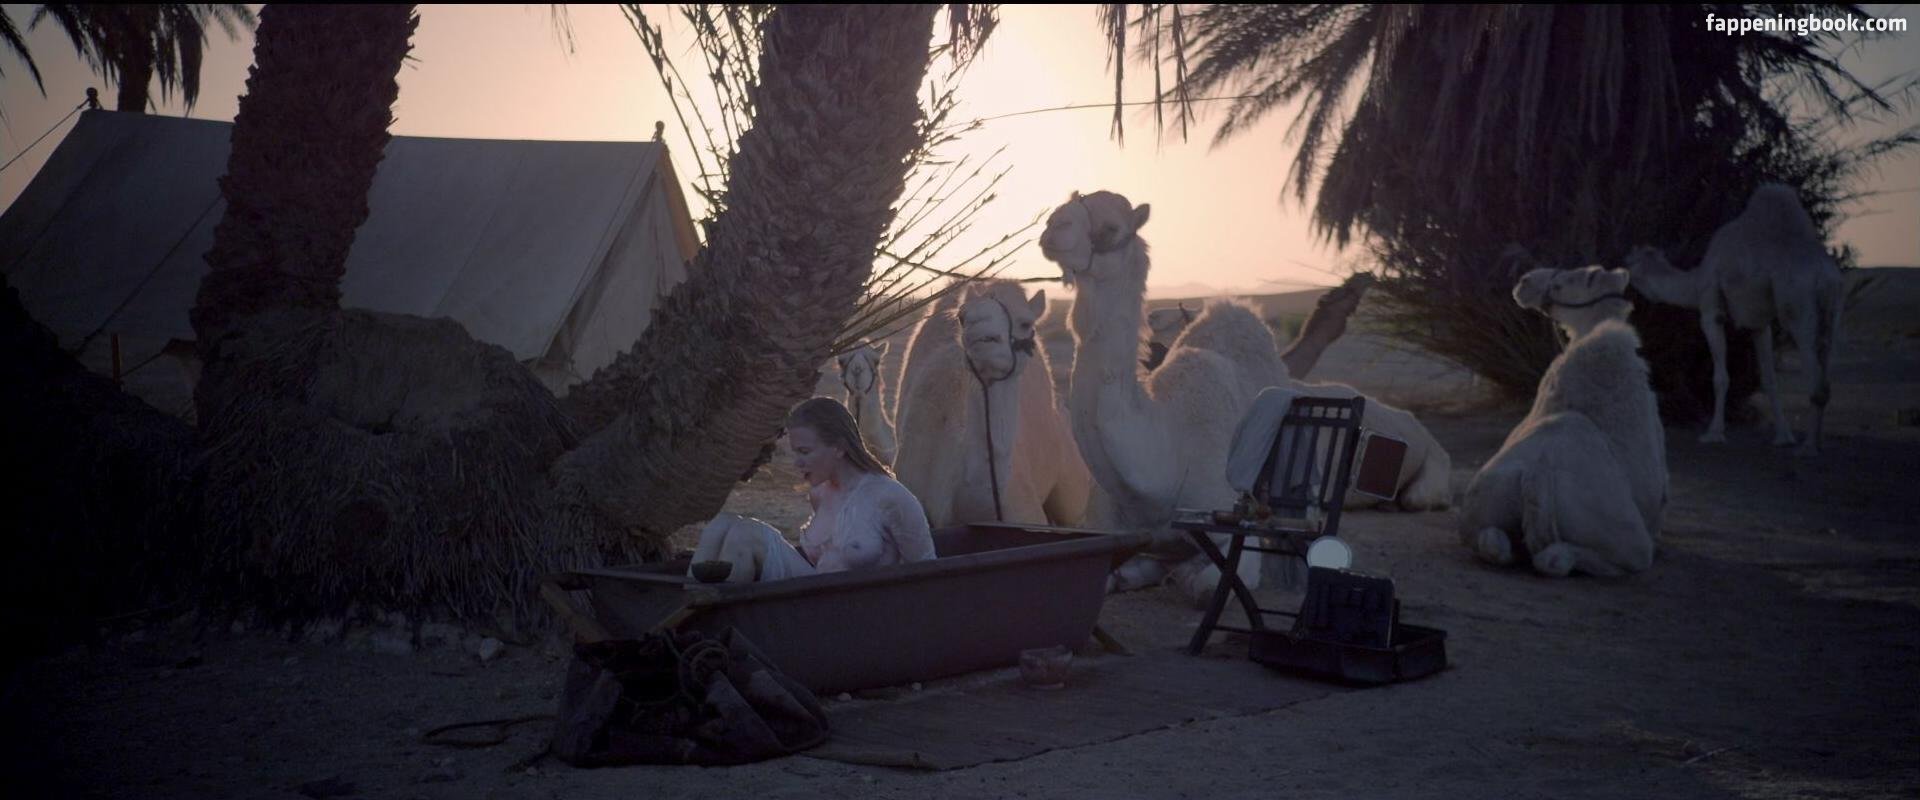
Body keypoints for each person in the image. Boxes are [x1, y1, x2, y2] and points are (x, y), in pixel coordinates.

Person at [691, 397, 935, 582]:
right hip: (815, 597)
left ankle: (717, 622)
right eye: (795, 452)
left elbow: (928, 572)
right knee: (721, 524)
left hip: (862, 609)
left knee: (747, 535)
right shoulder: (820, 494)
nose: (797, 463)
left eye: (805, 452)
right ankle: (691, 619)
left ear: (839, 448)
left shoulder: (891, 497)